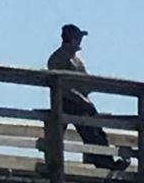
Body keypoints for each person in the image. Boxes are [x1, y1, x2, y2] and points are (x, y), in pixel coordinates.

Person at [47, 24, 116, 167]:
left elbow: (86, 81)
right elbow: (62, 86)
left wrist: (90, 91)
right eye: (78, 38)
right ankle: (102, 162)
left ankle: (106, 161)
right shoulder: (57, 58)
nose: (80, 41)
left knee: (97, 129)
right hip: (66, 102)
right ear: (71, 39)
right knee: (87, 131)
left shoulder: (77, 61)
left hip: (81, 102)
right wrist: (81, 99)